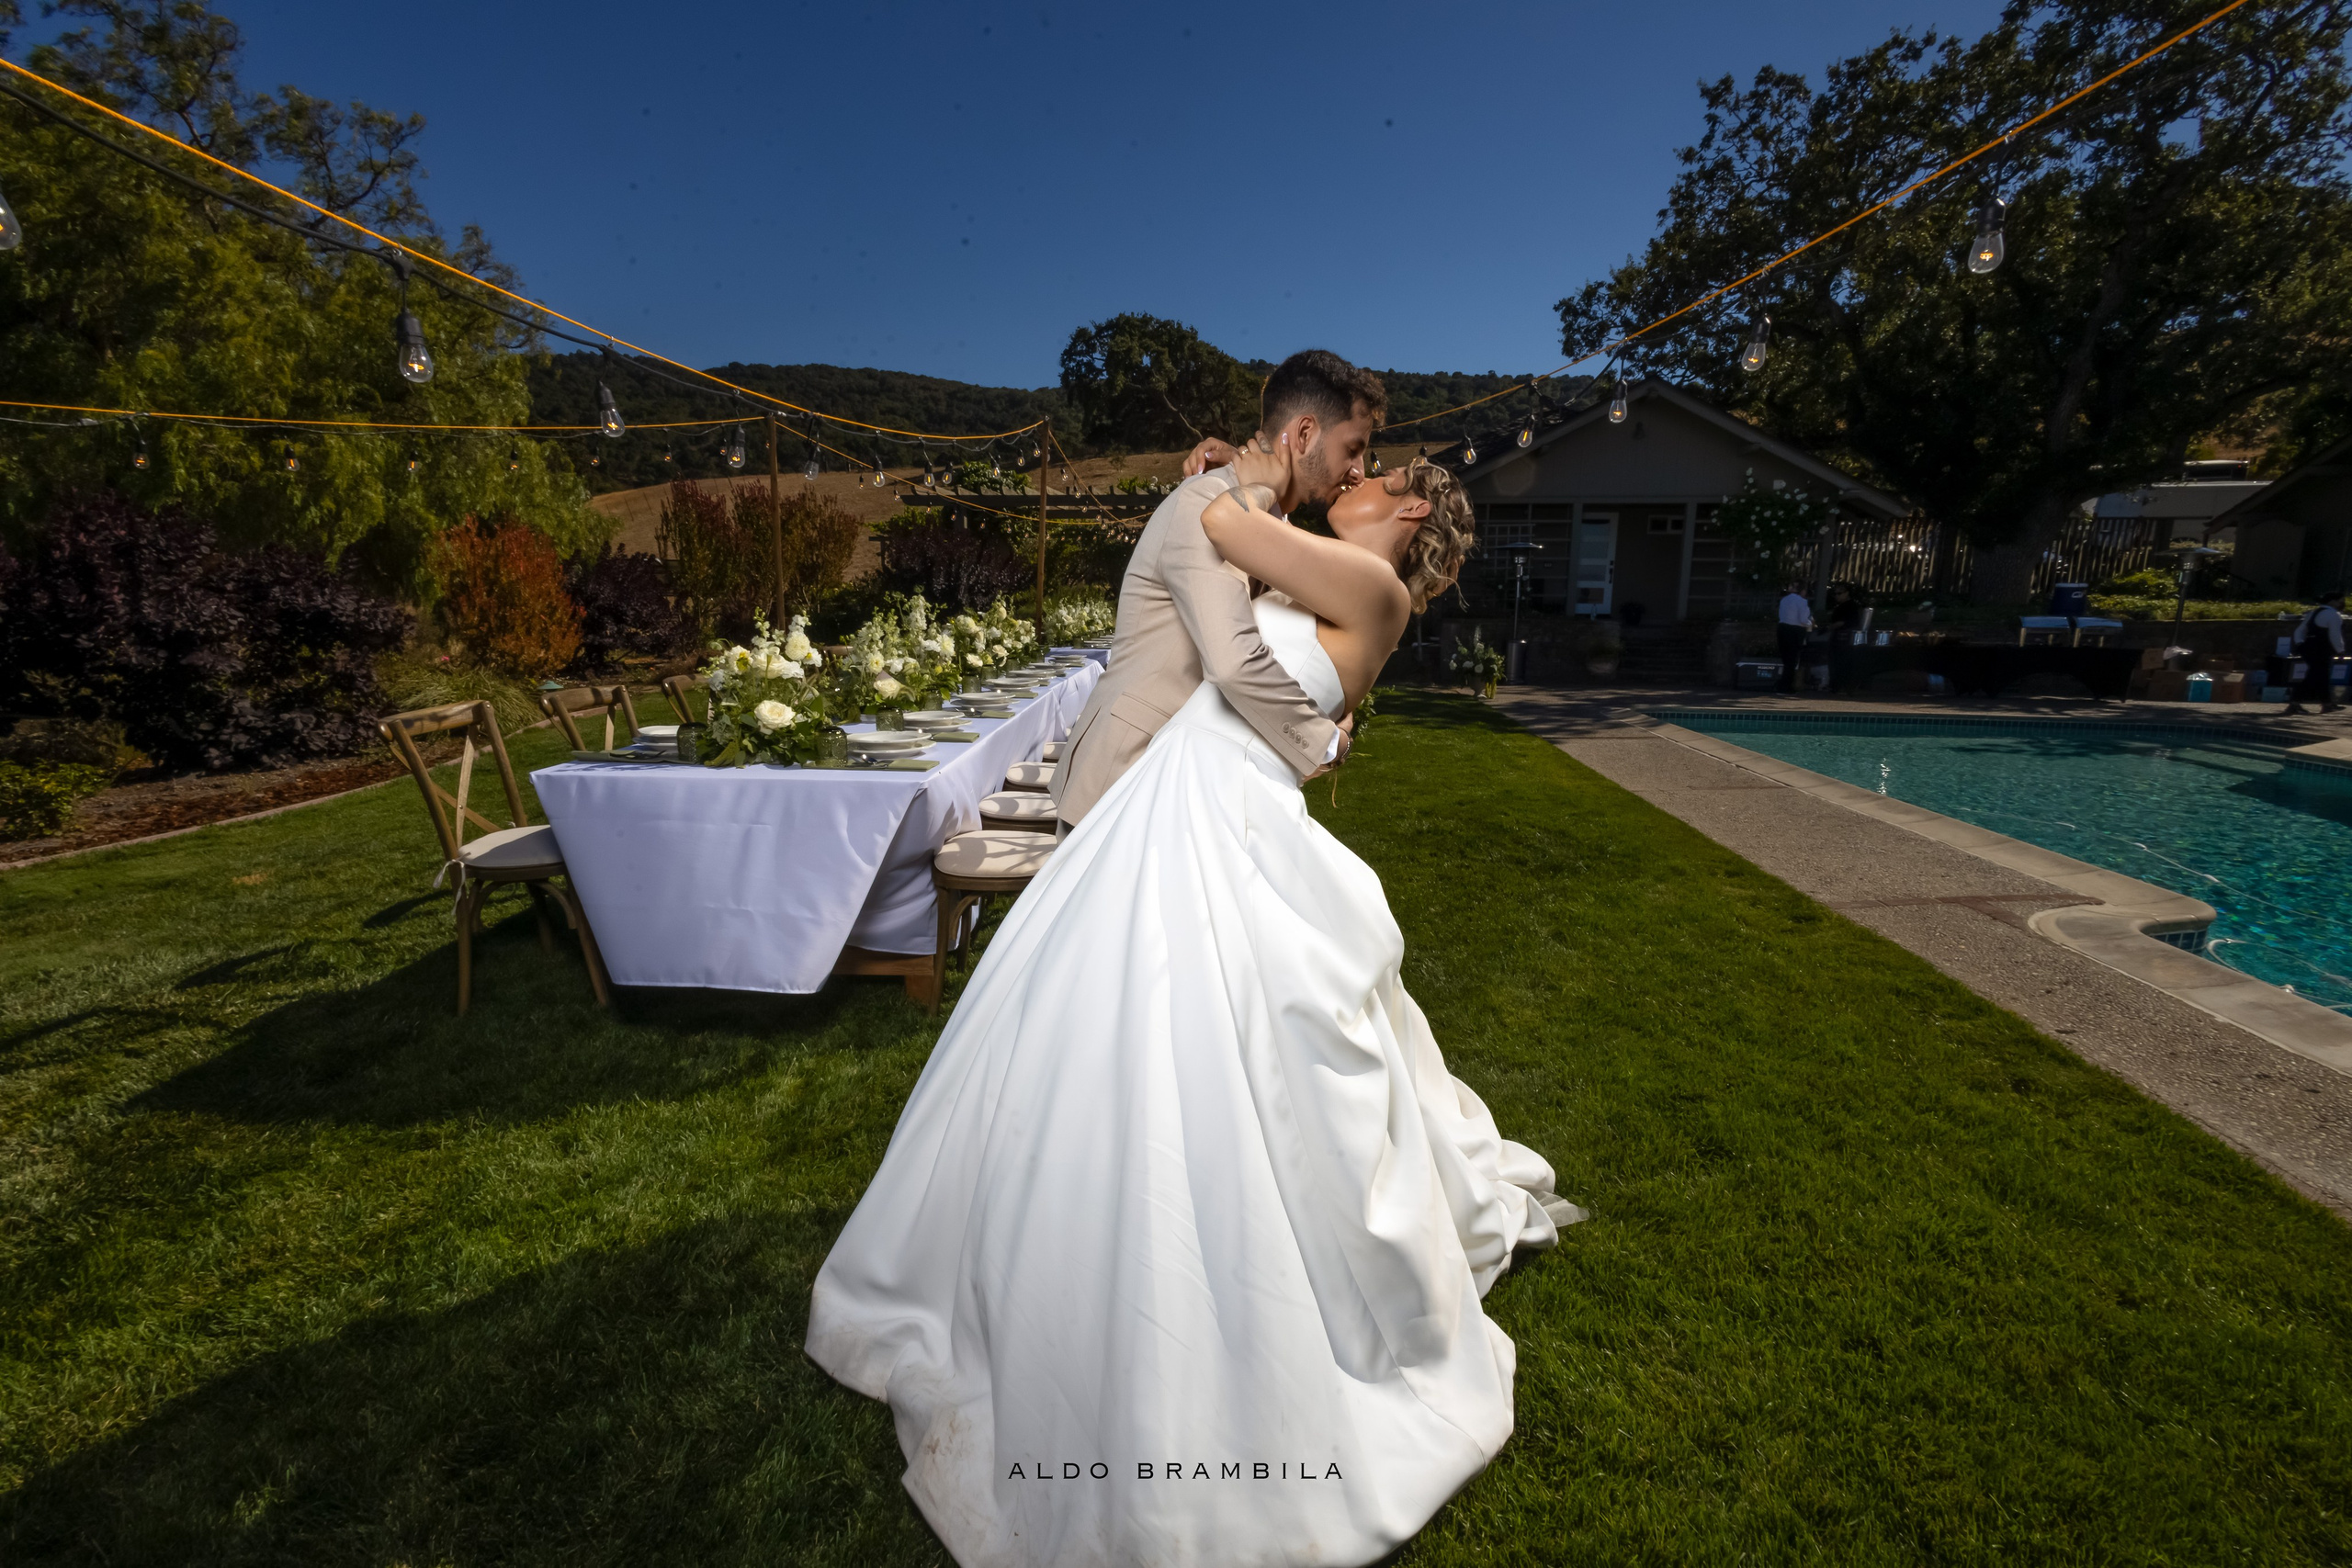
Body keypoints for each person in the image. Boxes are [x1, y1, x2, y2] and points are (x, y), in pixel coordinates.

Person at [808, 418, 1580, 1568]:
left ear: (1411, 515)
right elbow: (1239, 567)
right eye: (1354, 462)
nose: (1355, 482)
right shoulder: (1332, 575)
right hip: (1168, 809)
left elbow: (1218, 529)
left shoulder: (1373, 589)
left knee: (1213, 1053)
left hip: (1227, 826)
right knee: (1106, 1033)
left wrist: (1219, 479)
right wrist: (1240, 485)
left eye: (1375, 478)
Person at [1048, 350, 1379, 830]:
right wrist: (1326, 743)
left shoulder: (1267, 525)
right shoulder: (1207, 501)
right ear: (1305, 434)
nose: (1359, 471)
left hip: (1187, 793)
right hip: (1121, 788)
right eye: (1353, 448)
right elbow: (1234, 660)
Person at [2287, 588, 2346, 716]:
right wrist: (2340, 651)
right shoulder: (2333, 615)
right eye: (2340, 601)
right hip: (2321, 648)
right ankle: (2295, 702)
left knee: (2321, 675)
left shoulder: (2313, 613)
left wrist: (2299, 643)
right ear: (2332, 602)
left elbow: (2300, 630)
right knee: (2315, 675)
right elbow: (2335, 635)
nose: (2342, 604)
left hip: (2308, 646)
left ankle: (2327, 703)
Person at [1825, 582, 1865, 693]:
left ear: (1847, 593)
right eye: (1835, 594)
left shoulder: (1850, 606)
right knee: (1837, 661)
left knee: (1840, 661)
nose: (1837, 596)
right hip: (1840, 637)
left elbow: (1842, 622)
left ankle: (1839, 685)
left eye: (1839, 593)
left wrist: (1829, 628)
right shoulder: (1842, 606)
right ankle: (1837, 685)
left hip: (1844, 637)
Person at [1775, 580, 1813, 694]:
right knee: (1792, 660)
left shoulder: (1784, 600)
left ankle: (1783, 684)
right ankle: (1786, 686)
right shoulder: (1802, 602)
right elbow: (1803, 620)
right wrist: (1810, 623)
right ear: (1803, 590)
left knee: (1786, 658)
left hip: (1782, 629)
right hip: (1795, 631)